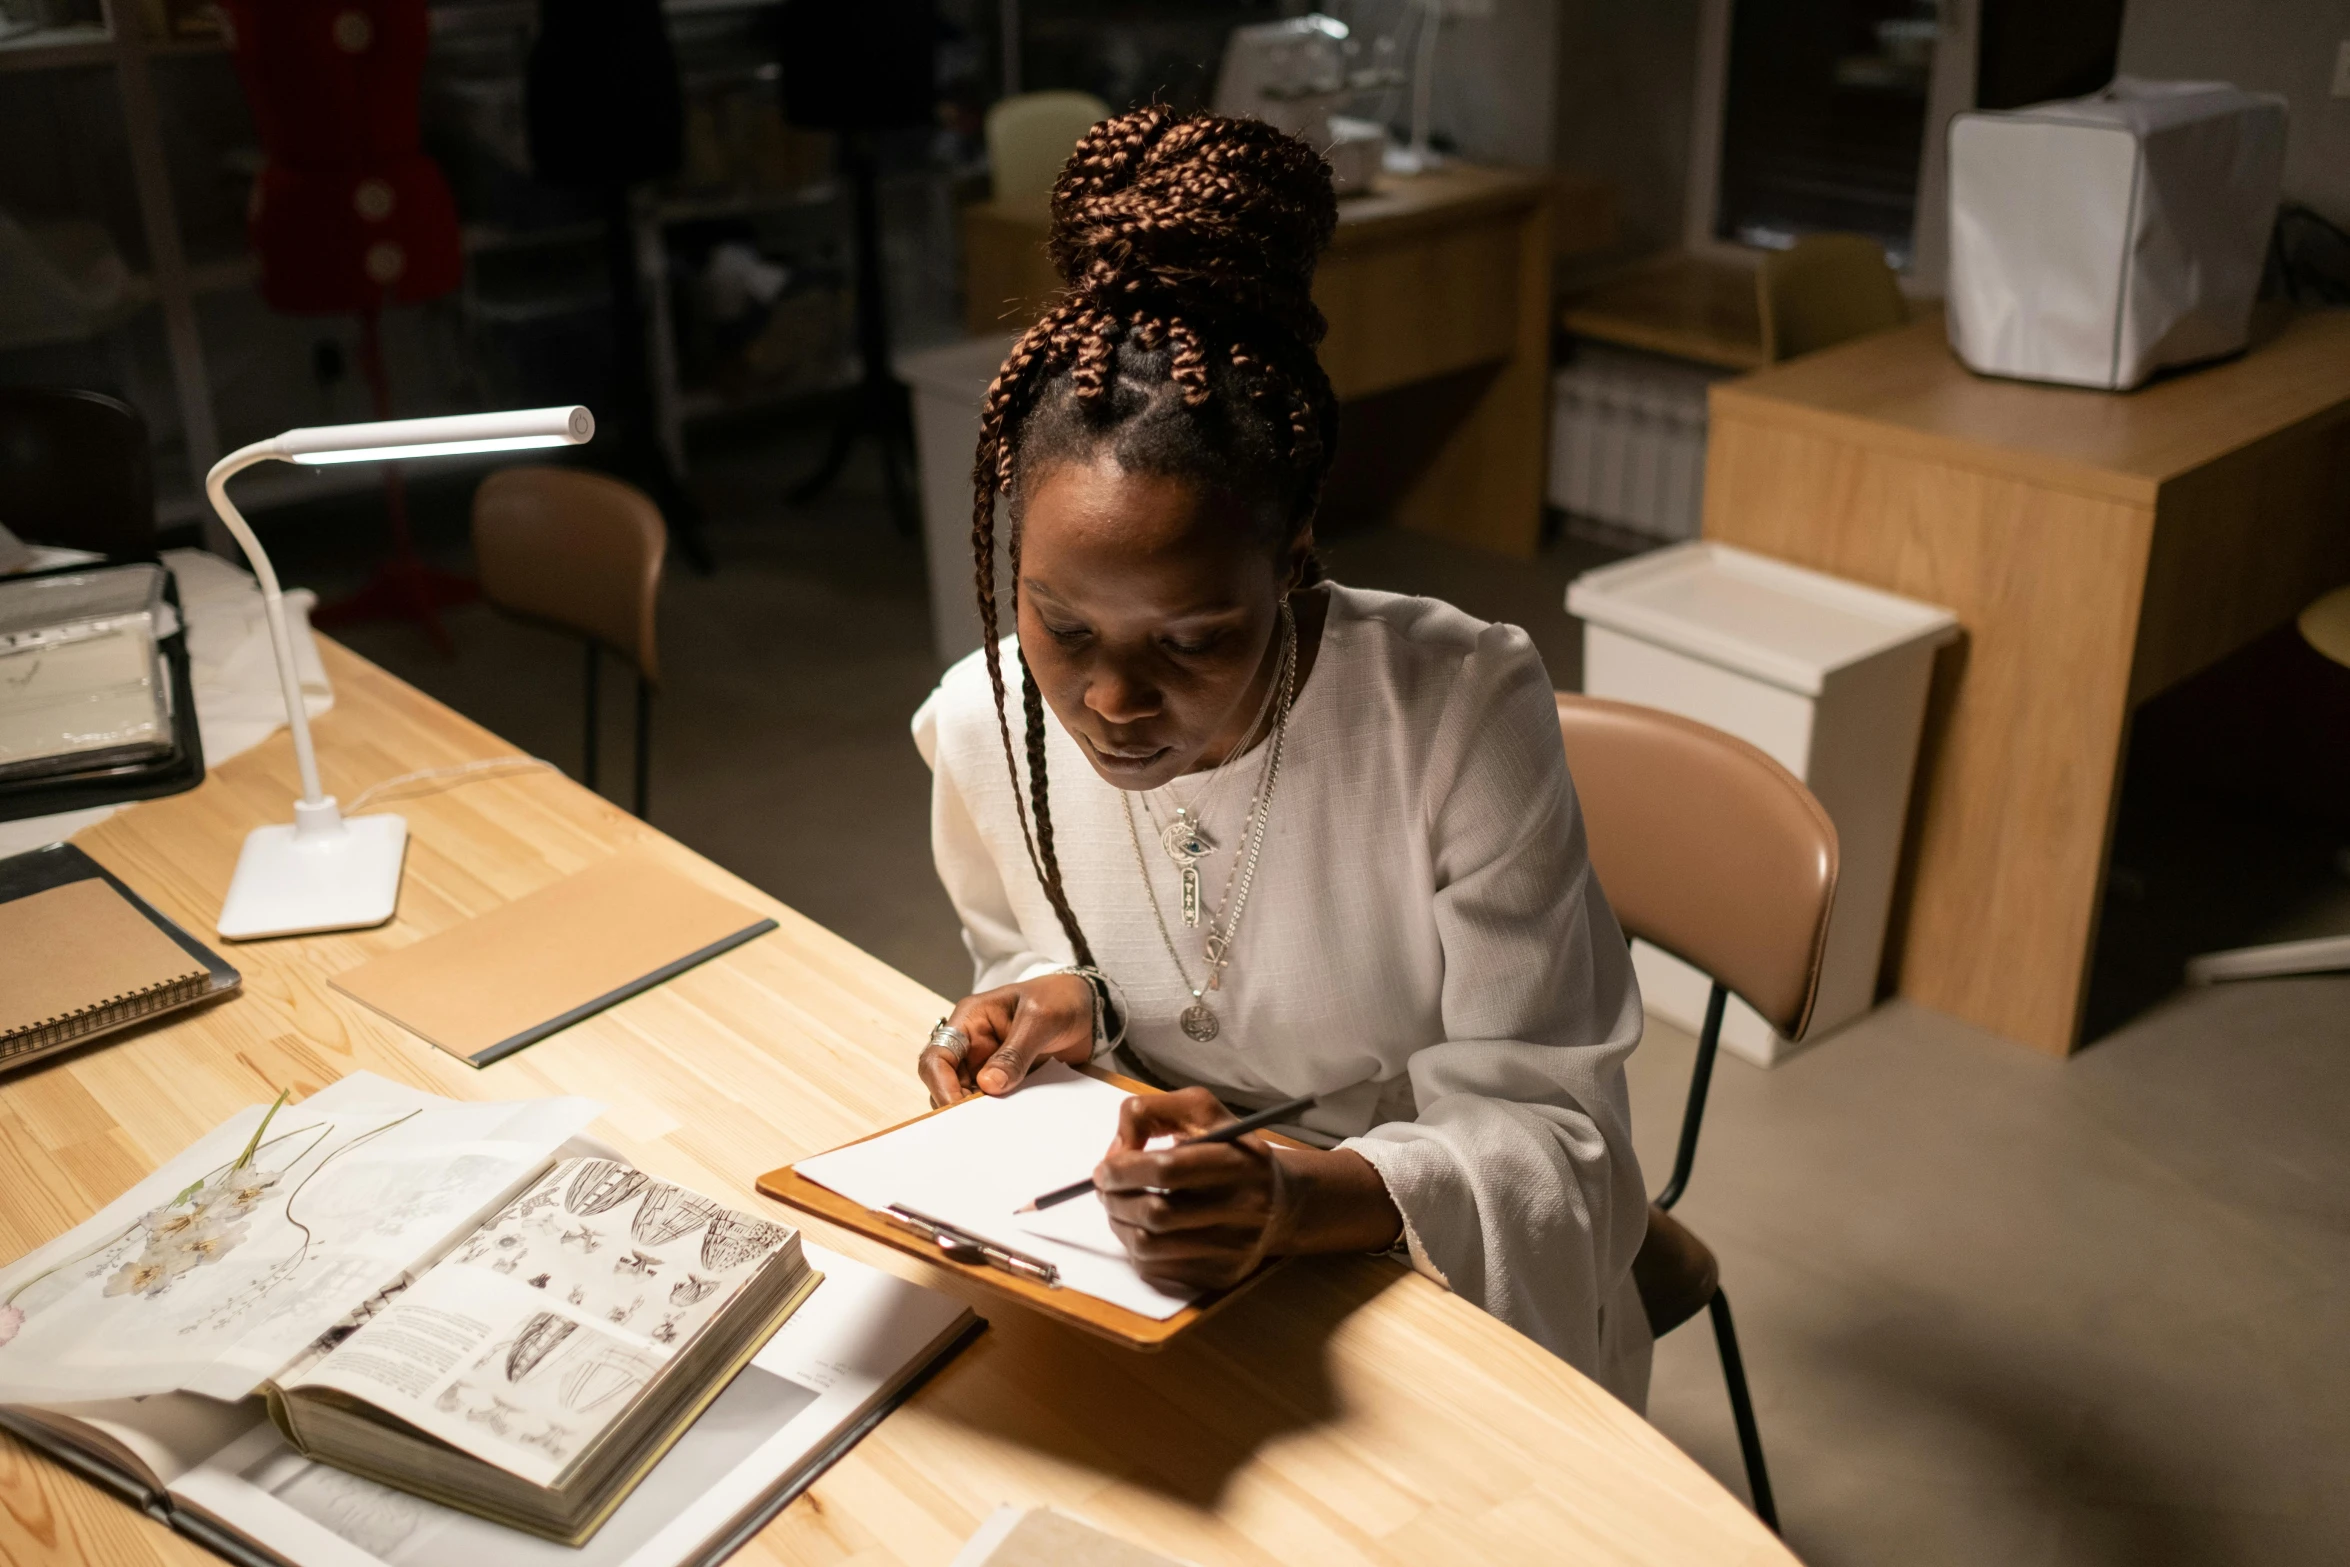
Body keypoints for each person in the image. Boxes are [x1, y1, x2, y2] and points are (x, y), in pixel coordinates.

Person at [910, 106, 1651, 1405]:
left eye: (1194, 637)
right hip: (1139, 1244)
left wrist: (1299, 1195)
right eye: (1060, 623)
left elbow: (1558, 1137)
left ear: (1294, 554)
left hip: (1409, 1238)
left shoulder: (1452, 713)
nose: (1110, 700)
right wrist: (1058, 999)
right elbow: (1044, 945)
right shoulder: (985, 722)